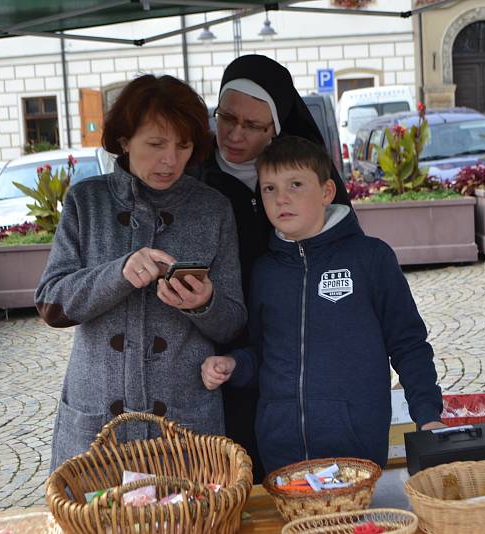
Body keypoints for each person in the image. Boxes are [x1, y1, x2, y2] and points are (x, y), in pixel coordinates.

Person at [36, 75, 246, 472]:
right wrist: (119, 273)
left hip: (186, 429)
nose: (170, 160)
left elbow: (233, 321)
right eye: (155, 144)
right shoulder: (87, 201)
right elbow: (51, 303)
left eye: (183, 146)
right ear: (124, 140)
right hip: (98, 424)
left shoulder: (213, 209)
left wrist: (205, 304)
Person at [201, 136, 444, 473]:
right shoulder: (264, 270)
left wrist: (428, 416)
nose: (281, 198)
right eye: (269, 188)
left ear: (327, 192)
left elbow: (408, 344)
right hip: (280, 450)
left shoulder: (370, 258)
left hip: (355, 446)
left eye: (295, 185)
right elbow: (263, 353)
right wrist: (235, 365)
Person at [196, 54, 352, 481]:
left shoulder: (300, 178)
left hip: (294, 355)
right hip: (219, 359)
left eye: (253, 126)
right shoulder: (195, 179)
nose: (234, 134)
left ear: (276, 129)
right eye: (226, 117)